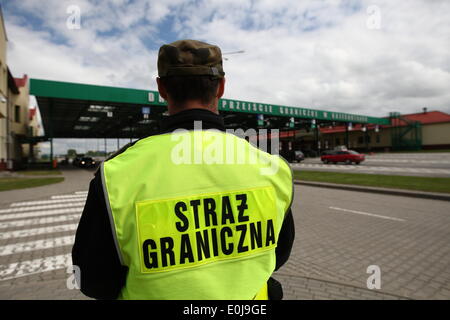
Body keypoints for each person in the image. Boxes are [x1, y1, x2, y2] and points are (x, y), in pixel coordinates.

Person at [72, 39, 295, 300]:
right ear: (221, 87)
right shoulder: (272, 166)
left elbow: (92, 279)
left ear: (161, 88)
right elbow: (278, 254)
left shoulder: (116, 172)